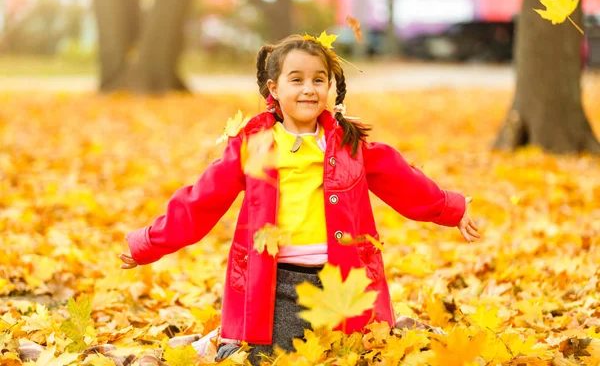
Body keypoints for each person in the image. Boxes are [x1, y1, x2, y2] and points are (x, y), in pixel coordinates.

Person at [119, 33, 480, 365]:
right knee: (263, 358)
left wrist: (452, 208)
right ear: (273, 88)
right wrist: (148, 243)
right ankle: (215, 341)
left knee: (351, 356)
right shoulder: (253, 145)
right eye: (297, 79)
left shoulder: (349, 145)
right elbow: (202, 200)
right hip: (274, 286)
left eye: (318, 80)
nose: (309, 89)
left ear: (330, 87)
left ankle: (403, 328)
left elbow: (404, 181)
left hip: (341, 282)